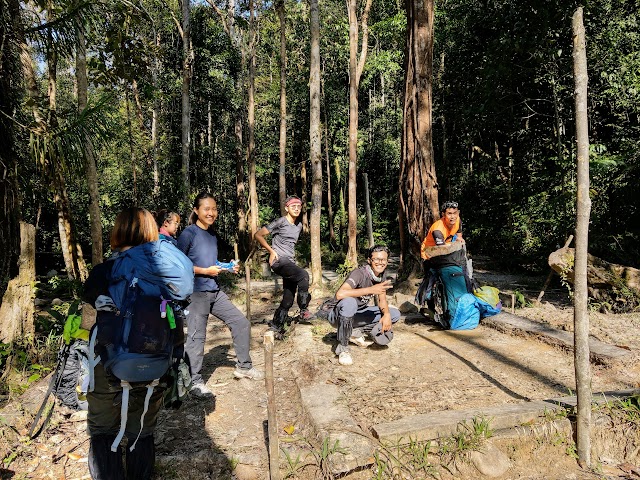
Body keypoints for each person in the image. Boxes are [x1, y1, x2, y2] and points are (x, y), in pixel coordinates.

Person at [83, 207, 192, 480]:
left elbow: (88, 303)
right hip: (157, 360)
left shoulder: (107, 269)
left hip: (109, 361)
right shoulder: (163, 268)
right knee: (142, 427)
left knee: (103, 428)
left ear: (118, 231)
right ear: (151, 232)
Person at [177, 192, 264, 397]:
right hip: (196, 293)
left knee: (241, 322)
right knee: (197, 337)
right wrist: (204, 271)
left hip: (214, 291)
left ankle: (244, 367)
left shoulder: (212, 234)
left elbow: (212, 263)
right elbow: (179, 266)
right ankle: (194, 382)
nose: (211, 213)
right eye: (206, 209)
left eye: (214, 209)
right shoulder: (188, 234)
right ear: (196, 211)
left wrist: (228, 267)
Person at [326, 245, 400, 366]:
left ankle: (353, 331)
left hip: (358, 314)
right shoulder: (359, 273)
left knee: (394, 314)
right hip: (337, 315)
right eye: (376, 259)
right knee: (349, 302)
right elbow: (340, 294)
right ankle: (343, 349)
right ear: (369, 260)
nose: (380, 263)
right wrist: (371, 289)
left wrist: (386, 314)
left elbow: (382, 299)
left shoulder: (381, 275)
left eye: (383, 260)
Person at [254, 195, 311, 338]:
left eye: (299, 207)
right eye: (293, 207)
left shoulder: (298, 226)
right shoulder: (280, 222)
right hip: (279, 261)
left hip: (289, 262)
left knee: (288, 299)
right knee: (304, 275)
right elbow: (258, 235)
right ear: (287, 208)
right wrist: (271, 251)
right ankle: (304, 310)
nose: (297, 209)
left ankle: (276, 327)